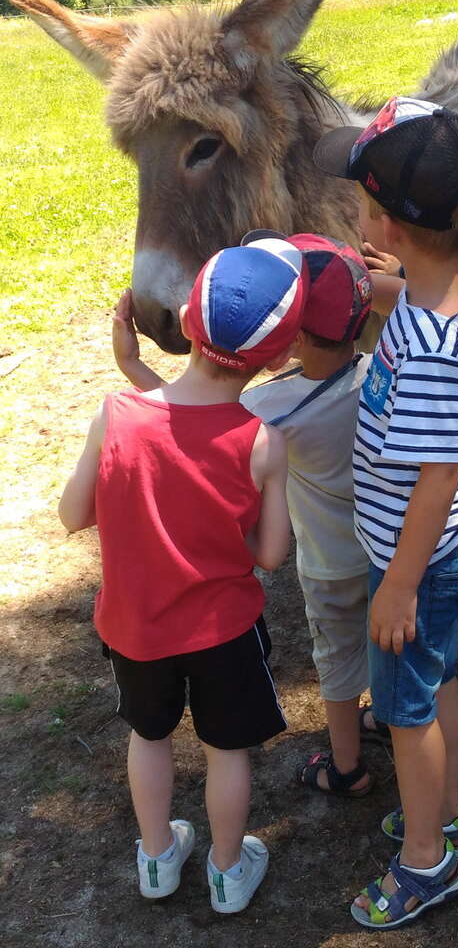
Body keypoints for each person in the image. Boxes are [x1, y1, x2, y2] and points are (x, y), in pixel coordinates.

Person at [58, 239, 308, 914]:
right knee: (227, 751)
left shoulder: (116, 415)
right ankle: (228, 871)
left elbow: (72, 513)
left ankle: (158, 860)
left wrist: (132, 369)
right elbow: (271, 555)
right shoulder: (263, 442)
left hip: (136, 627)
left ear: (188, 323)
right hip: (223, 632)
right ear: (280, 355)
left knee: (150, 736)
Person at [313, 97, 458, 929]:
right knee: (439, 675)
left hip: (419, 556)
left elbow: (435, 474)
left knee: (405, 708)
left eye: (364, 201)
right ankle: (449, 807)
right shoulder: (451, 290)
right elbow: (420, 316)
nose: (358, 214)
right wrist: (387, 288)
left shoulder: (425, 350)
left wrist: (397, 585)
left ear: (386, 219)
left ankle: (425, 861)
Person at [113, 231, 391, 797]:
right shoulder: (381, 375)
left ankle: (346, 766)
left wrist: (134, 369)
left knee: (337, 662)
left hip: (330, 564)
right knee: (387, 640)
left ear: (290, 338)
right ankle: (388, 711)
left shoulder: (271, 409)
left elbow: (192, 426)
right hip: (390, 552)